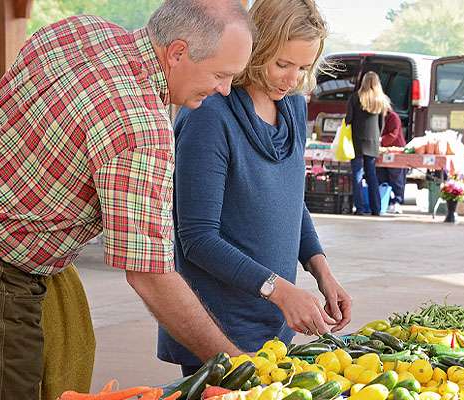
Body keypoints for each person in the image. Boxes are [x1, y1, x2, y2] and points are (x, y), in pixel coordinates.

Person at [0, 0, 253, 398]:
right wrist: (235, 365)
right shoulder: (140, 127)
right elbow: (150, 274)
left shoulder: (79, 31)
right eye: (221, 75)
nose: (224, 90)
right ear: (177, 52)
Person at [157, 0, 352, 376]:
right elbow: (197, 238)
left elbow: (291, 200)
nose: (292, 79)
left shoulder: (293, 105)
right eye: (282, 64)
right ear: (253, 47)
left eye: (303, 68)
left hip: (276, 325)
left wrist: (321, 270)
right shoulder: (210, 115)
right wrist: (279, 290)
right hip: (216, 327)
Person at [346, 72, 389, 216]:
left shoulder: (355, 97)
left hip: (357, 141)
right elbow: (381, 124)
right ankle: (376, 208)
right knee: (372, 176)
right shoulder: (381, 100)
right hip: (373, 142)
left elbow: (348, 119)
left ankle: (359, 208)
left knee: (357, 175)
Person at [376, 107, 407, 214]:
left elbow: (393, 134)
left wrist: (380, 140)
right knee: (383, 177)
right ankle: (387, 201)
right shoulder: (379, 117)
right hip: (383, 151)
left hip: (395, 150)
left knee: (396, 177)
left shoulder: (393, 116)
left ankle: (397, 202)